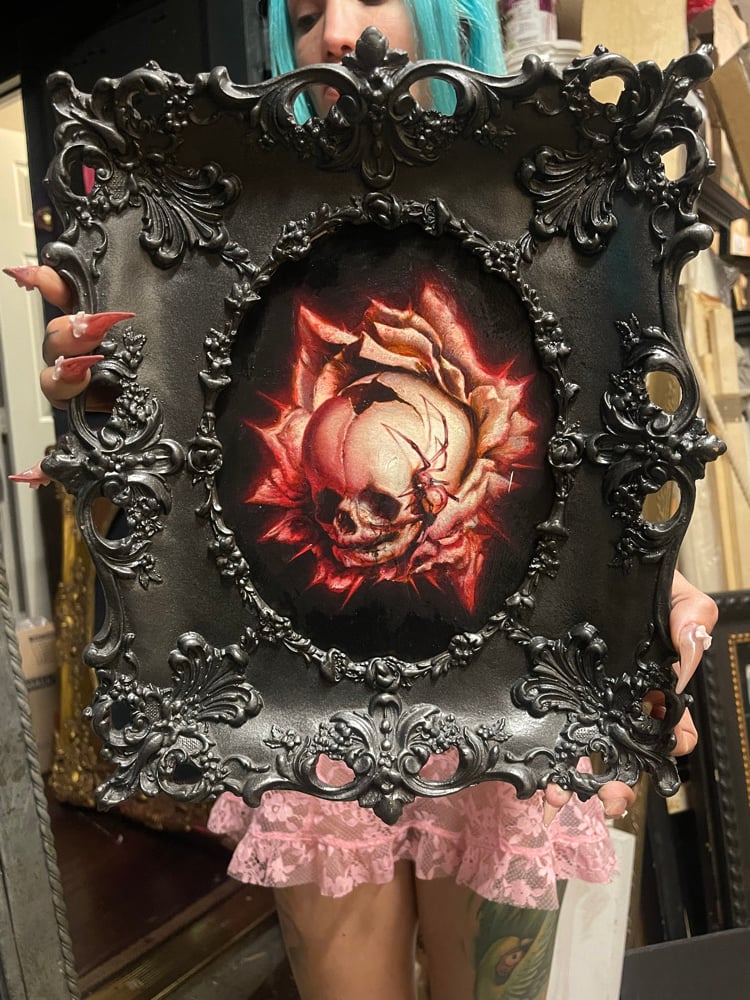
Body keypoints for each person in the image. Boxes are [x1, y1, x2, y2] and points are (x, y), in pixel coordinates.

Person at [5, 2, 718, 997]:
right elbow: (184, 490)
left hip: (511, 701)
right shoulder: (228, 246)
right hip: (310, 716)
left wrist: (645, 587)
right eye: (302, 12)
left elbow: (600, 446)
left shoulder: (555, 213)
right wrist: (123, 400)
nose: (340, 34)